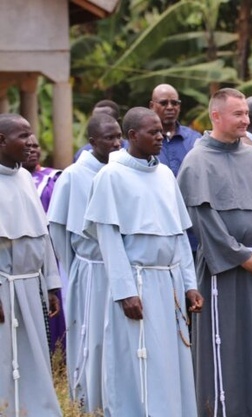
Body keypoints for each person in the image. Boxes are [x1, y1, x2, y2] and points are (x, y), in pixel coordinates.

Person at [177, 88, 252, 417]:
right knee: (225, 345)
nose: (246, 120)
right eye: (238, 114)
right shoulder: (197, 161)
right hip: (224, 272)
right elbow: (204, 222)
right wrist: (243, 258)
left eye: (246, 114)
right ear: (216, 116)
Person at [83, 107, 203, 417]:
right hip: (137, 284)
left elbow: (178, 234)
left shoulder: (163, 173)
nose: (161, 136)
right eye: (153, 132)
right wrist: (125, 292)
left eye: (162, 130)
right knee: (140, 357)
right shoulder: (111, 175)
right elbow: (109, 239)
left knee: (172, 360)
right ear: (132, 136)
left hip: (170, 282)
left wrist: (189, 285)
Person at [47, 113, 122, 412]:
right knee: (91, 335)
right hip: (90, 268)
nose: (117, 143)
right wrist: (75, 264)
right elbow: (57, 226)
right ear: (92, 142)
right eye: (109, 138)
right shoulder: (74, 175)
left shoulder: (121, 170)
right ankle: (87, 399)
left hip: (121, 269)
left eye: (119, 137)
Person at [0, 113, 62, 417]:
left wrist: (50, 284)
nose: (30, 143)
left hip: (31, 284)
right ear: (1, 141)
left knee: (34, 359)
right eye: (22, 136)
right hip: (4, 288)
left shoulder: (24, 177)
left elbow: (42, 237)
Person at [22, 134, 66, 354]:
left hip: (50, 252)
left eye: (35, 145)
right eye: (26, 144)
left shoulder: (53, 178)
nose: (32, 149)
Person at [148, 83, 201, 176]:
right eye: (163, 103)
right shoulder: (143, 141)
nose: (170, 107)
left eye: (174, 103)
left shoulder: (195, 139)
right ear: (152, 106)